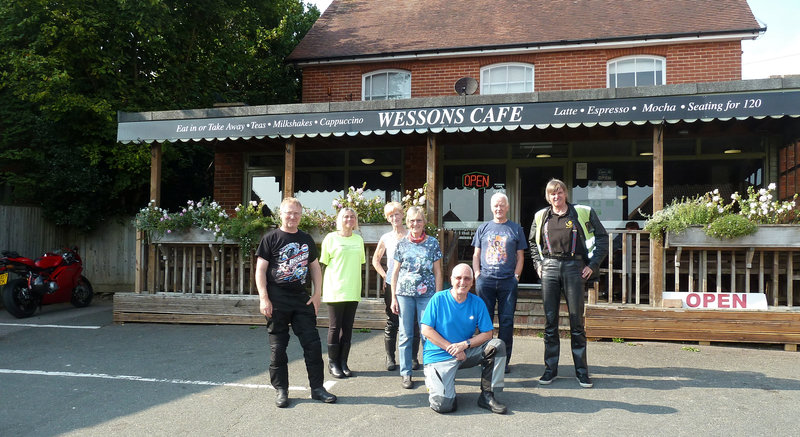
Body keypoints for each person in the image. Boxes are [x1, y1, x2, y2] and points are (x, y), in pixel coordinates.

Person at [255, 197, 337, 408]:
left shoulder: (306, 239)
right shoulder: (270, 238)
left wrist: (317, 294)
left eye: (296, 213)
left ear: (301, 216)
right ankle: (281, 390)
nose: (292, 217)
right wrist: (264, 297)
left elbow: (315, 267)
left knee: (312, 344)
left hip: (301, 298)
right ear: (280, 214)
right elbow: (261, 270)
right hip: (277, 298)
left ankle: (317, 388)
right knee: (278, 348)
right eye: (288, 213)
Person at [529, 178, 608, 388]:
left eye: (560, 192)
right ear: (548, 197)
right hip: (550, 267)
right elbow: (532, 243)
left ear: (565, 194)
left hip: (575, 267)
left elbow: (602, 238)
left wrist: (592, 265)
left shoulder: (582, 212)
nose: (556, 197)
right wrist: (538, 264)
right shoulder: (541, 216)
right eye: (552, 194)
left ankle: (582, 372)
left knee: (576, 322)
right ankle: (550, 370)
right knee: (550, 322)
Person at [420, 263, 507, 414]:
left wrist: (464, 345)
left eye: (467, 278)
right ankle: (442, 384)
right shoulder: (438, 299)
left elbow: (488, 334)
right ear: (451, 279)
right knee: (444, 406)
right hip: (439, 355)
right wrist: (452, 349)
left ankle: (487, 395)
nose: (462, 282)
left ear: (472, 282)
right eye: (458, 278)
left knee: (496, 346)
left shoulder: (477, 302)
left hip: (464, 352)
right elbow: (426, 330)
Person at [471, 192, 527, 373]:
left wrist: (516, 276)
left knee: (507, 322)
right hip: (485, 281)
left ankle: (503, 360)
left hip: (507, 283)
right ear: (491, 207)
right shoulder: (483, 228)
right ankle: (485, 358)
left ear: (507, 207)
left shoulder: (516, 229)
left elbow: (520, 257)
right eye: (495, 205)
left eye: (502, 205)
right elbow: (476, 254)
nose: (499, 208)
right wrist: (477, 274)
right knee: (484, 323)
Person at [391, 206, 443, 389]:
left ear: (424, 222)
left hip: (427, 295)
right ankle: (406, 373)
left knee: (427, 334)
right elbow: (395, 272)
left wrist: (437, 296)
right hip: (404, 294)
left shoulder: (433, 243)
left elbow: (438, 271)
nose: (415, 224)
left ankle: (430, 371)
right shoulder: (401, 243)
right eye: (412, 221)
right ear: (407, 223)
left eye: (419, 220)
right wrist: (393, 298)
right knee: (405, 334)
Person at [371, 202, 421, 372]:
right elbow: (375, 260)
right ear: (388, 219)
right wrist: (385, 275)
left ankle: (413, 357)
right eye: (391, 216)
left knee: (413, 323)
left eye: (397, 214)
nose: (394, 218)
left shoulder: (411, 234)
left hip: (410, 284)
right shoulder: (386, 238)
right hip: (393, 284)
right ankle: (390, 357)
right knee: (393, 321)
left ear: (402, 215)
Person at [320, 207, 365, 378]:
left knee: (347, 328)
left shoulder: (358, 240)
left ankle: (343, 362)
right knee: (334, 327)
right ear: (340, 219)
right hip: (335, 289)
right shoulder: (330, 238)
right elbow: (324, 263)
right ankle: (333, 364)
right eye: (346, 216)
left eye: (352, 216)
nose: (349, 219)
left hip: (352, 289)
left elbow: (359, 262)